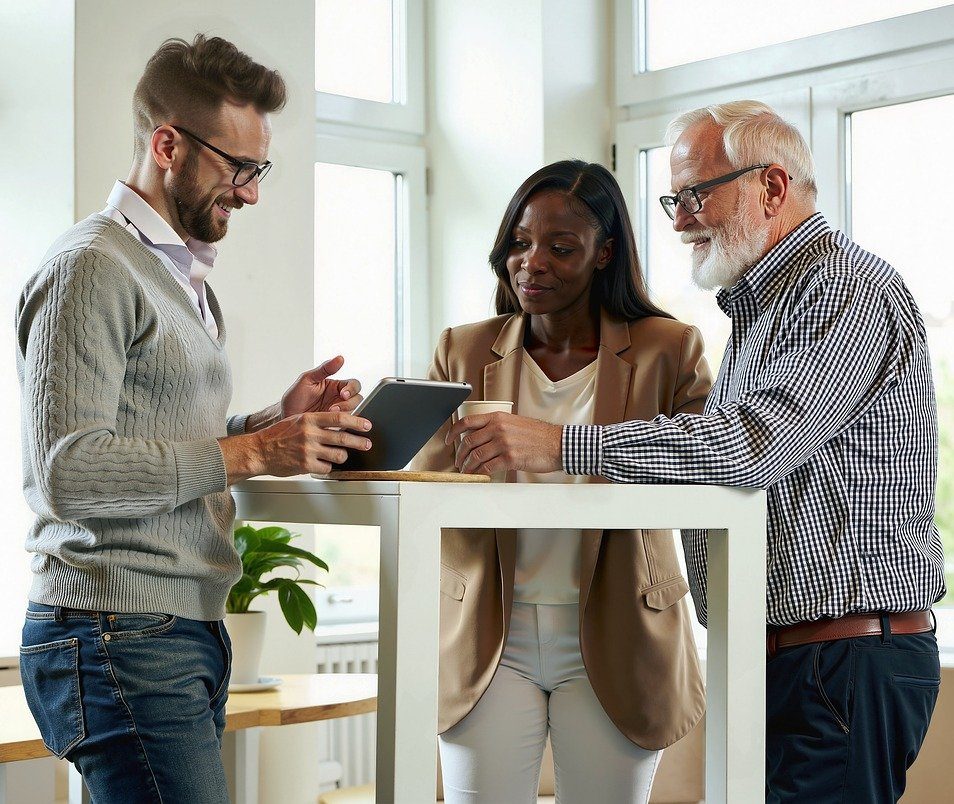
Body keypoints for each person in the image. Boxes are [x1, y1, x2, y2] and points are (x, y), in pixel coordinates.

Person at [450, 101, 945, 802]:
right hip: (789, 654)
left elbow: (750, 445)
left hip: (843, 658)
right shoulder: (762, 308)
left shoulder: (844, 289)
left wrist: (560, 442)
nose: (680, 220)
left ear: (772, 186)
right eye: (673, 200)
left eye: (696, 195)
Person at [16, 35, 373, 803]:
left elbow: (157, 439)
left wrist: (271, 420)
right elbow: (66, 473)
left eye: (258, 170)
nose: (250, 194)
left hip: (172, 628)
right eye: (237, 167)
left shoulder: (180, 281)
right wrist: (256, 451)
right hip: (117, 628)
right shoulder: (92, 267)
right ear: (167, 145)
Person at [413, 160, 711, 803]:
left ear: (605, 253)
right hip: (488, 632)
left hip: (622, 628)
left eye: (561, 247)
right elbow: (421, 484)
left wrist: (561, 449)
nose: (532, 263)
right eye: (519, 243)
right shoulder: (462, 350)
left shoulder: (668, 349)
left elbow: (707, 465)